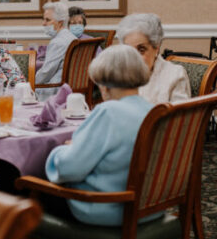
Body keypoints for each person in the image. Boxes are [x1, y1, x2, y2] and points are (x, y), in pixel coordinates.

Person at [45, 44, 159, 226]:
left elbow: (69, 169)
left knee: (26, 188)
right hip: (150, 208)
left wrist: (60, 151)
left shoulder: (109, 112)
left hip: (108, 209)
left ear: (104, 85)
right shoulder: (152, 110)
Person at [116, 13, 191, 104]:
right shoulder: (119, 74)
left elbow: (180, 117)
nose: (134, 57)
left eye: (141, 50)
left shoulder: (175, 75)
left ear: (157, 47)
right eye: (129, 50)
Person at [35, 2, 76, 98]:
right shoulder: (73, 38)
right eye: (43, 19)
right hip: (71, 89)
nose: (43, 23)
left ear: (60, 22)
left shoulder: (58, 42)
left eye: (47, 20)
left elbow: (46, 72)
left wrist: (29, 82)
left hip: (55, 90)